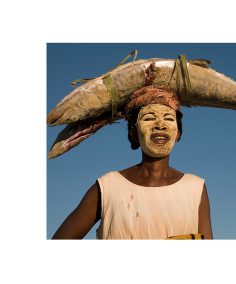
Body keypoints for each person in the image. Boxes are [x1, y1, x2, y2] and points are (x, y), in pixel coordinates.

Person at [52, 85, 213, 240]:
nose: (160, 126)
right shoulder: (108, 187)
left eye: (169, 118)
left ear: (178, 133)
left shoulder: (195, 188)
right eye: (149, 118)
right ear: (134, 133)